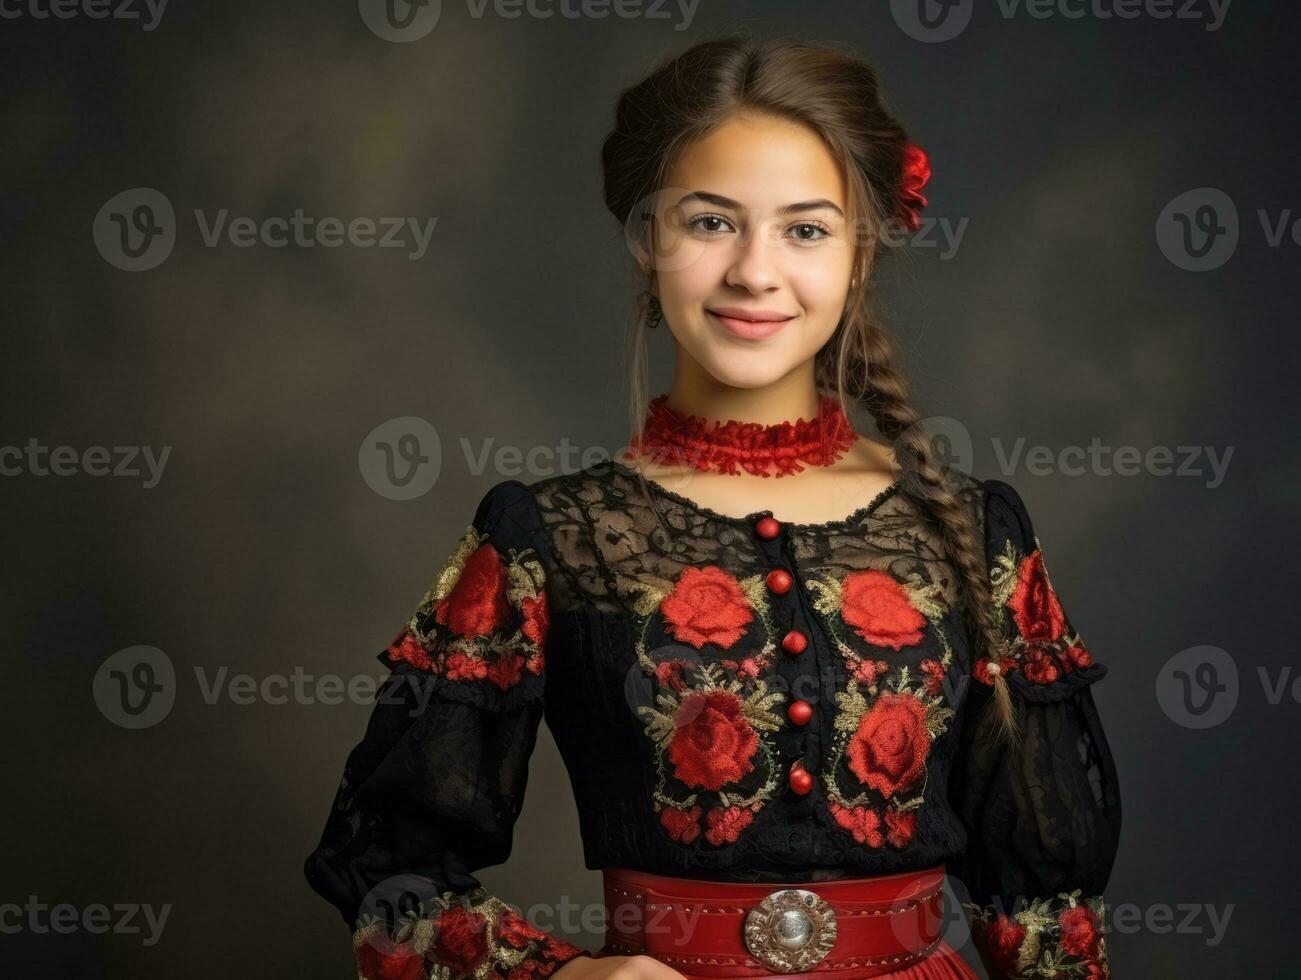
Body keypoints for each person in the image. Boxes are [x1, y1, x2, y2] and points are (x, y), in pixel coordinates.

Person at [303, 36, 1121, 980]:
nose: (754, 272)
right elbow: (390, 880)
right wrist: (567, 977)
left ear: (862, 253)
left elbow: (1046, 908)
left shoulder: (970, 533)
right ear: (648, 239)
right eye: (710, 223)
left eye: (806, 229)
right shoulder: (550, 538)